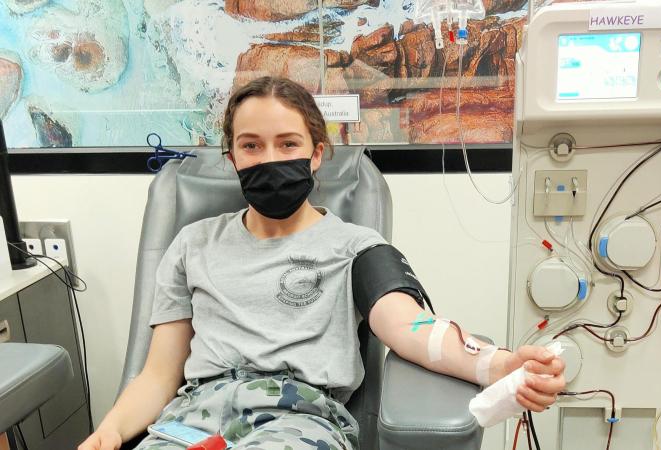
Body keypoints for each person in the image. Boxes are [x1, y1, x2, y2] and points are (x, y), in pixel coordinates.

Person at [78, 76, 565, 450]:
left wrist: (499, 363)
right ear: (232, 158)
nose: (269, 158)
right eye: (251, 146)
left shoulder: (355, 245)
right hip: (194, 417)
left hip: (298, 420)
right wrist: (111, 433)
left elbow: (412, 327)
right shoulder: (193, 244)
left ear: (316, 154)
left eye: (288, 144)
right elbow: (160, 374)